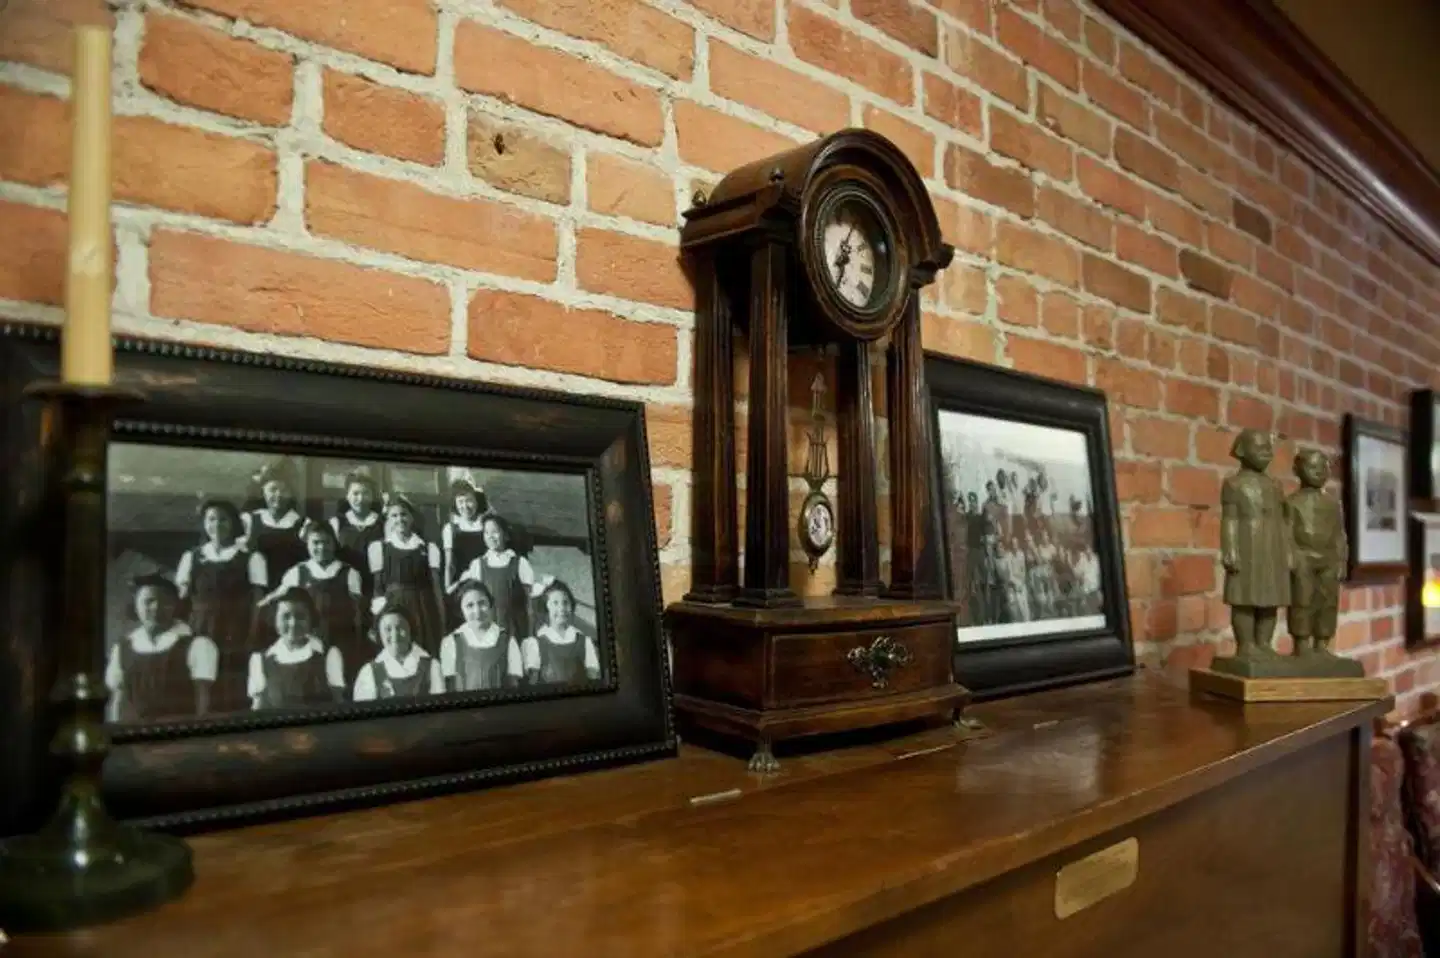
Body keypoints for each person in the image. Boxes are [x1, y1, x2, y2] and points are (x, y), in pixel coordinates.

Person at [175, 499, 265, 711]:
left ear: (233, 523)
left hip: (236, 631)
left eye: (223, 519)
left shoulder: (251, 558)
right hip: (200, 629)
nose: (216, 525)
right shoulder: (192, 557)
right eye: (211, 519)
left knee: (233, 686)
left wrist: (252, 634)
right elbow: (182, 600)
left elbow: (258, 602)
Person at [263, 520, 369, 688]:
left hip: (342, 639)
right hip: (310, 638)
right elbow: (278, 596)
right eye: (316, 542)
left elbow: (358, 610)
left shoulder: (348, 573)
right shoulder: (298, 572)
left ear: (334, 544)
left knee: (342, 681)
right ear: (307, 544)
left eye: (326, 542)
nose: (321, 547)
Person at [106, 574, 218, 722]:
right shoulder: (123, 648)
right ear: (136, 605)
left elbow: (202, 702)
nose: (156, 608)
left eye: (165, 602)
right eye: (148, 601)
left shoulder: (198, 645)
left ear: (175, 606)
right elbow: (118, 700)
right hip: (136, 734)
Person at [450, 512, 552, 643]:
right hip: (489, 627)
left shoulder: (520, 563)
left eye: (495, 532)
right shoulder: (477, 565)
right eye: (486, 533)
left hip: (516, 627)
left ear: (505, 535)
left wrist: (530, 633)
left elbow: (529, 602)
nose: (490, 537)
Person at [368, 494, 445, 655]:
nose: (399, 519)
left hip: (422, 609)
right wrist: (376, 621)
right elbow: (378, 589)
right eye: (394, 515)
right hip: (393, 607)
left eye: (404, 514)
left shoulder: (427, 548)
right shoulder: (380, 548)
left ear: (412, 518)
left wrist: (441, 619)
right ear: (388, 519)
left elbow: (436, 587)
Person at [247, 587, 346, 710]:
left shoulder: (328, 655)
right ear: (275, 619)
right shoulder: (260, 660)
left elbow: (338, 703)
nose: (293, 623)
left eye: (300, 616)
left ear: (311, 618)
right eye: (286, 616)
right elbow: (258, 709)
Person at [439, 581, 523, 691]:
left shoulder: (507, 641)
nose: (477, 611)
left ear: (490, 605)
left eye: (482, 603)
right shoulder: (451, 642)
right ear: (461, 610)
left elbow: (514, 684)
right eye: (470, 606)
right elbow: (449, 687)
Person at [353, 603, 445, 701]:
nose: (395, 635)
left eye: (400, 627)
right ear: (380, 635)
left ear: (410, 629)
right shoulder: (369, 672)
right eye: (388, 629)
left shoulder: (432, 667)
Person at [522, 580, 600, 685]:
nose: (561, 608)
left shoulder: (585, 642)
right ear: (546, 607)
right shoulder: (535, 644)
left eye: (565, 602)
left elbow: (593, 678)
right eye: (555, 603)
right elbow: (533, 683)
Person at [331, 470, 385, 598]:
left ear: (372, 496)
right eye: (355, 493)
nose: (360, 499)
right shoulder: (337, 523)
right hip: (345, 589)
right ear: (347, 495)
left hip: (375, 589)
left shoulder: (383, 524)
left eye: (366, 493)